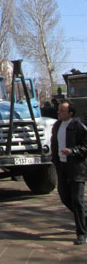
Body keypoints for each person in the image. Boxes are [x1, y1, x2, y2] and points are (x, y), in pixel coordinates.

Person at [51, 100, 87, 245]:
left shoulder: (78, 126)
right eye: (58, 109)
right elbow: (54, 143)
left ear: (70, 113)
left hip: (76, 168)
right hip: (62, 167)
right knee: (65, 197)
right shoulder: (57, 125)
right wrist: (55, 160)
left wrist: (72, 151)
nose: (58, 112)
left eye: (62, 110)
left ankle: (81, 234)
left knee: (77, 200)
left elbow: (85, 147)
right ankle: (84, 218)